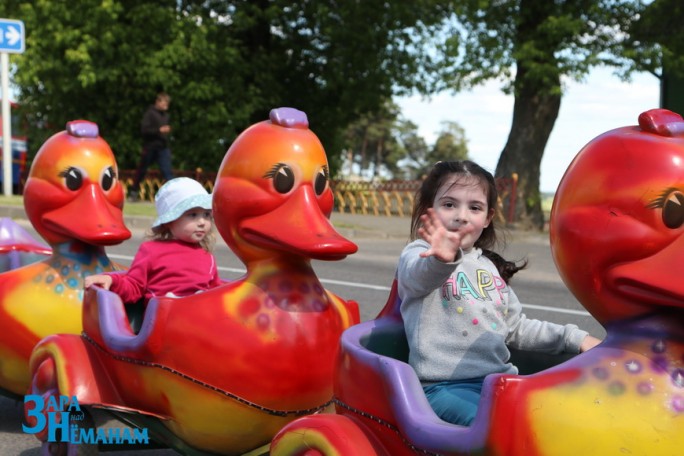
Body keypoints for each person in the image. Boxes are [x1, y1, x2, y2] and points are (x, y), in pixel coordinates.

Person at [397, 160, 601, 427]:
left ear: (487, 218)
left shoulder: (489, 268)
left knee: (559, 420)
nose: (462, 215)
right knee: (497, 429)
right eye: (449, 205)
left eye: (475, 207)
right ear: (430, 211)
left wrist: (577, 338)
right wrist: (442, 259)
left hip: (498, 382)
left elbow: (515, 327)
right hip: (442, 387)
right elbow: (419, 278)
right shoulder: (420, 254)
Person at [86, 177, 222, 305]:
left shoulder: (207, 256)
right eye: (192, 215)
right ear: (170, 221)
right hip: (163, 320)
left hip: (199, 317)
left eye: (206, 215)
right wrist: (111, 280)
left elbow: (217, 293)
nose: (202, 222)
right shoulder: (151, 250)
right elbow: (134, 287)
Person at [128, 92, 173, 201]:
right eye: (164, 103)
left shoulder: (166, 116)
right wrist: (159, 131)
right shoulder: (150, 114)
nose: (166, 105)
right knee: (142, 170)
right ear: (158, 102)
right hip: (150, 147)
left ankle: (174, 195)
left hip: (162, 147)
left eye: (167, 103)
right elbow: (144, 130)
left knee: (167, 171)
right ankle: (133, 192)